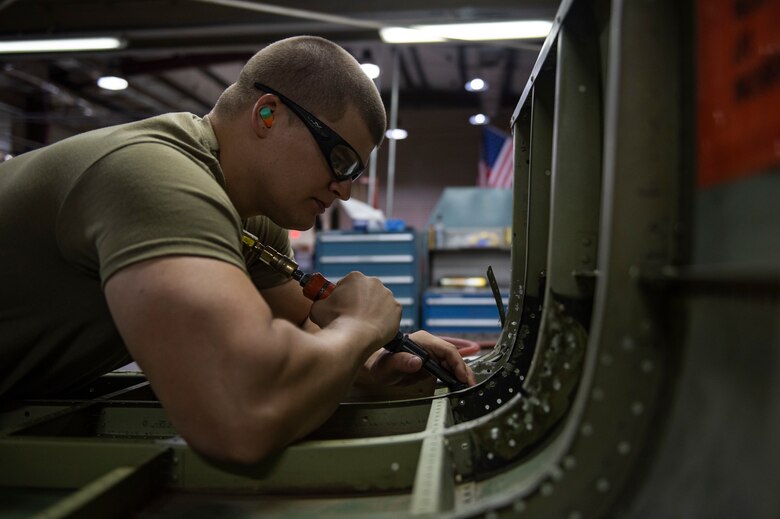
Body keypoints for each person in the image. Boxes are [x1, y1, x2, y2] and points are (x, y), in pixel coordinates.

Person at [0, 36, 475, 463]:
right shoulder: (155, 176)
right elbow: (241, 414)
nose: (345, 191)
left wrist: (375, 361)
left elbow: (302, 332)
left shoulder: (250, 218)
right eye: (340, 159)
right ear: (267, 113)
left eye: (353, 172)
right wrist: (361, 327)